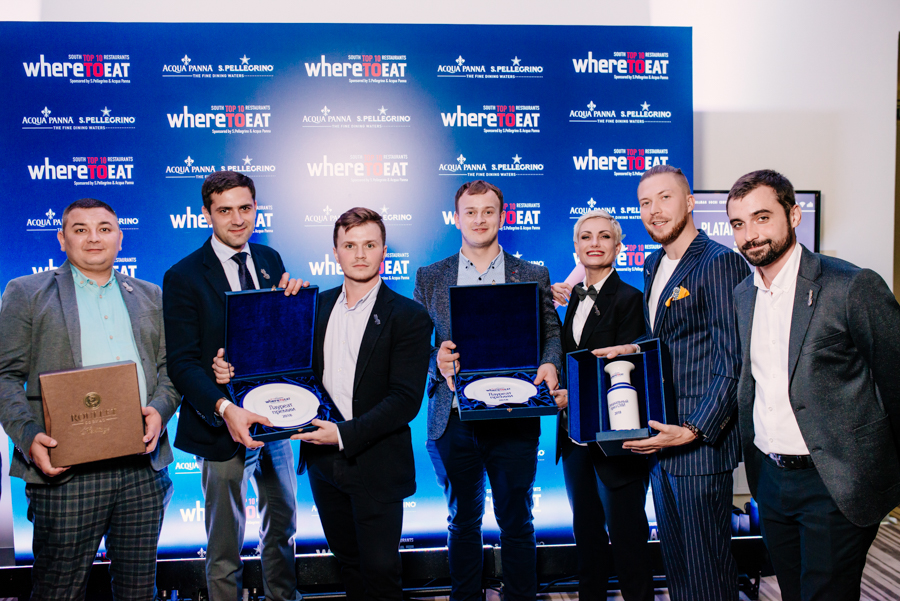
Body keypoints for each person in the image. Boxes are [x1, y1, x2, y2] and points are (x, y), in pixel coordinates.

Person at [216, 207, 432, 600]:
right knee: (347, 564)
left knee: (381, 573)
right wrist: (228, 367)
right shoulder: (313, 307)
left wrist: (343, 434)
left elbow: (405, 401)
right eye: (350, 245)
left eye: (370, 245)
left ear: (384, 251)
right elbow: (276, 366)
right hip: (323, 462)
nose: (360, 254)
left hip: (377, 462)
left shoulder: (409, 316)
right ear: (335, 252)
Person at [727, 169, 900, 601]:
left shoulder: (850, 285)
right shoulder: (743, 295)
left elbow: (895, 379)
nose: (750, 234)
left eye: (762, 217)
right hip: (771, 482)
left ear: (793, 215)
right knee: (793, 593)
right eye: (739, 224)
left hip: (834, 482)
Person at [0, 198, 178, 600]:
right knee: (58, 591)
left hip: (141, 470)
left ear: (120, 238)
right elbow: (4, 376)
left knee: (139, 592)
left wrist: (160, 410)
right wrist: (28, 437)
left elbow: (170, 368)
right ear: (62, 239)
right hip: (66, 471)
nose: (93, 238)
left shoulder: (150, 294)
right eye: (80, 229)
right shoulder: (27, 292)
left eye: (104, 228)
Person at [594, 165, 749, 601]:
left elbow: (732, 360)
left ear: (690, 202)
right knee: (679, 569)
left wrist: (695, 429)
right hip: (661, 441)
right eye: (645, 203)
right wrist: (632, 348)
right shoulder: (653, 263)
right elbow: (665, 339)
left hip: (699, 446)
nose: (654, 211)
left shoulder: (719, 263)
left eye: (664, 198)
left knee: (708, 573)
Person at [413, 180, 562, 601]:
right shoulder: (430, 276)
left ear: (502, 216)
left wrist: (550, 363)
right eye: (471, 212)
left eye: (488, 211)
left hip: (514, 415)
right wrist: (436, 360)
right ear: (456, 218)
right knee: (462, 523)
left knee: (517, 523)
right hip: (453, 419)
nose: (479, 219)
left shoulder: (532, 274)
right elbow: (415, 345)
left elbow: (551, 333)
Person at [163, 171, 304, 601]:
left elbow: (276, 340)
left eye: (245, 208)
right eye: (224, 210)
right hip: (220, 423)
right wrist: (223, 403)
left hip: (274, 419)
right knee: (224, 545)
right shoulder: (183, 275)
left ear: (256, 208)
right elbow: (182, 364)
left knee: (283, 527)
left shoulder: (269, 258)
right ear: (206, 215)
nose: (237, 219)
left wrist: (295, 308)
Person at [554, 209, 653, 601]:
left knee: (629, 542)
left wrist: (574, 394)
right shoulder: (571, 299)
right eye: (586, 237)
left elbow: (628, 370)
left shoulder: (631, 299)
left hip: (617, 440)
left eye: (604, 236)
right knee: (587, 540)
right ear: (576, 248)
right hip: (574, 438)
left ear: (619, 246)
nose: (594, 243)